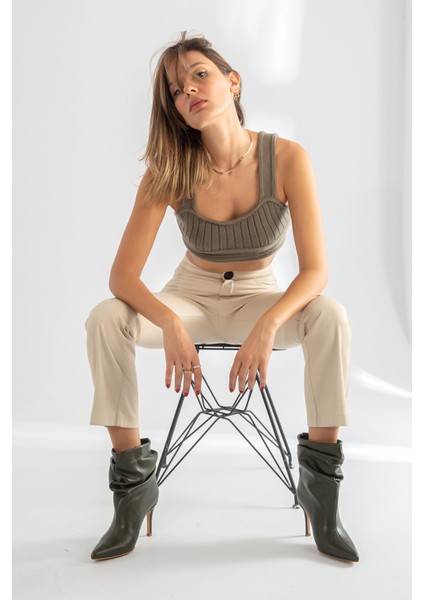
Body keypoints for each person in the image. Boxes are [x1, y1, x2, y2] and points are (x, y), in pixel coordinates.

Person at [85, 31, 359, 563]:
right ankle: (132, 490)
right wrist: (169, 321)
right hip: (190, 297)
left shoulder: (288, 159)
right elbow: (122, 278)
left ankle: (321, 492)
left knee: (331, 315)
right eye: (175, 89)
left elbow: (315, 272)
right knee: (105, 318)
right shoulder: (170, 169)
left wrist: (269, 325)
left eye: (199, 74)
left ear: (232, 82)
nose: (187, 89)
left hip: (258, 297)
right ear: (175, 109)